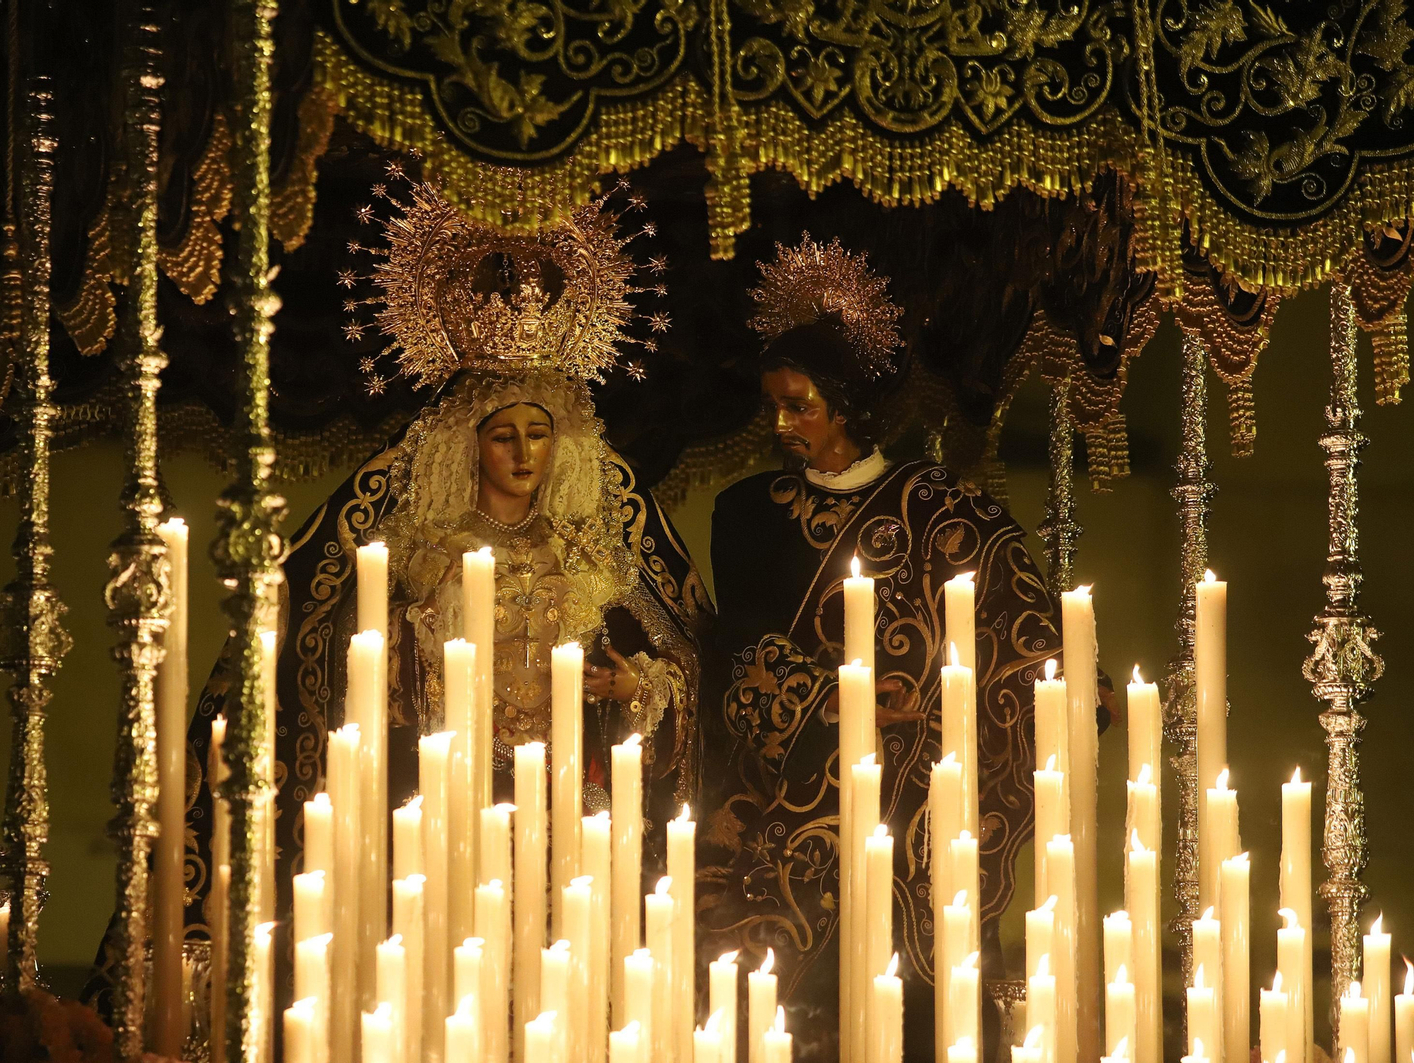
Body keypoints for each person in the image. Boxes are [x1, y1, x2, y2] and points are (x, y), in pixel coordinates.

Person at [85, 181, 709, 1013]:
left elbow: (683, 661)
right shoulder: (420, 553)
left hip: (573, 810)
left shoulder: (593, 549)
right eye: (503, 435)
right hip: (448, 807)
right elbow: (340, 666)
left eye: (538, 434)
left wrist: (636, 686)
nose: (523, 454)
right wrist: (406, 666)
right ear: (468, 445)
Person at [695, 236, 1077, 1057]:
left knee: (924, 1005)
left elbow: (1021, 623)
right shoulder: (748, 516)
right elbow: (738, 655)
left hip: (923, 807)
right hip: (795, 801)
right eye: (773, 406)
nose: (781, 424)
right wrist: (834, 698)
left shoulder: (944, 508)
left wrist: (1074, 686)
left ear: (845, 406)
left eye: (799, 405)